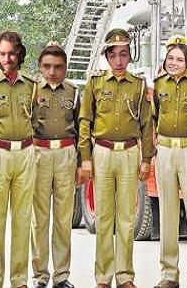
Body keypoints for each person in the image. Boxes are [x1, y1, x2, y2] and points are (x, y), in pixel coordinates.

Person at [78, 28, 155, 288]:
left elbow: (147, 124)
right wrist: (86, 158)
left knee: (126, 218)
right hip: (102, 152)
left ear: (129, 56)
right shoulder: (95, 83)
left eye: (124, 54)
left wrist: (147, 159)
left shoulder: (138, 85)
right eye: (114, 55)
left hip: (130, 153)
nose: (119, 60)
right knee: (103, 217)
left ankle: (125, 276)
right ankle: (102, 277)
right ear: (107, 57)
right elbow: (85, 121)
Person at [0, 31, 37, 288]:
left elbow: (35, 119)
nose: (7, 58)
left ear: (19, 53)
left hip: (25, 154)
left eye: (11, 53)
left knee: (23, 220)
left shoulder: (32, 85)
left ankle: (20, 280)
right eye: (2, 53)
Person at [152, 35, 187, 288]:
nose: (174, 63)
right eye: (170, 58)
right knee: (168, 213)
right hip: (165, 151)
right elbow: (154, 115)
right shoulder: (158, 83)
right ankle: (169, 274)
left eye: (179, 59)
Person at [31, 43, 80, 288]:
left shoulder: (73, 92)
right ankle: (40, 276)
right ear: (40, 67)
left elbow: (81, 129)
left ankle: (61, 276)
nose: (52, 72)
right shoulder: (31, 91)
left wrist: (81, 163)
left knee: (63, 219)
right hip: (38, 153)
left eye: (58, 67)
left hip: (65, 154)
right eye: (47, 67)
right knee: (40, 218)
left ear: (66, 68)